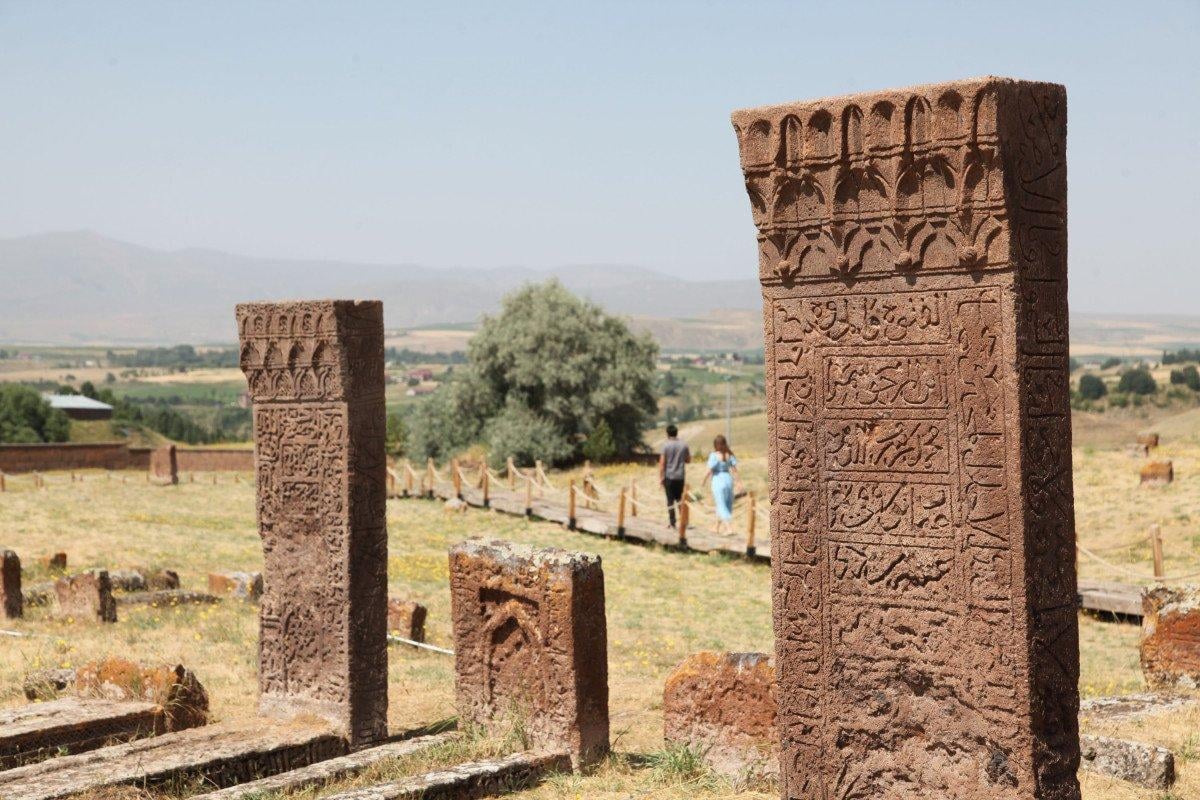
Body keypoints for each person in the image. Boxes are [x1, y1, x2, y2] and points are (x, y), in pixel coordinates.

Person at [703, 435, 743, 535]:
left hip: (718, 480)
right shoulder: (729, 455)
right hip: (728, 480)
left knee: (720, 504)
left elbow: (709, 470)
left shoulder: (714, 455)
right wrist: (738, 483)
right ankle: (716, 527)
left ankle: (729, 528)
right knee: (725, 503)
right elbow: (734, 471)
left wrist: (703, 481)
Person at [659, 424, 690, 528]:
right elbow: (688, 460)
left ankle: (672, 522)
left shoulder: (665, 445)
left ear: (667, 434)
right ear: (677, 433)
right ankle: (683, 521)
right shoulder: (684, 445)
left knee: (670, 500)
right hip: (680, 476)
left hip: (669, 476)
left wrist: (661, 477)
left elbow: (662, 463)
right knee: (680, 500)